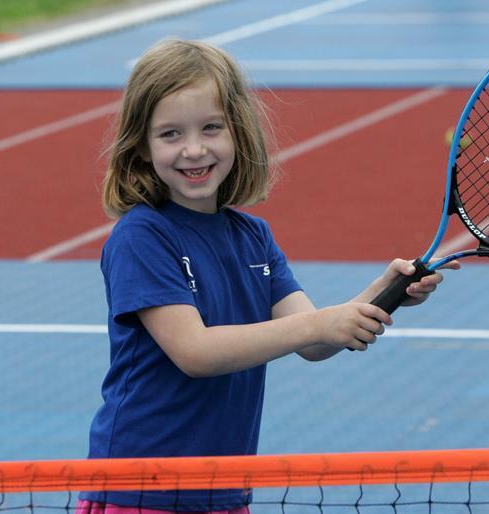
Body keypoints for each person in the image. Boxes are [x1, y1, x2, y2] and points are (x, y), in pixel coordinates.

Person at [76, 38, 458, 514]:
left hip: (223, 488)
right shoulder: (142, 237)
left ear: (238, 132)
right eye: (170, 134)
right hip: (141, 488)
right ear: (141, 146)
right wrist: (316, 325)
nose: (194, 149)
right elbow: (195, 351)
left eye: (211, 128)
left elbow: (314, 342)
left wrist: (384, 294)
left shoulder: (253, 237)